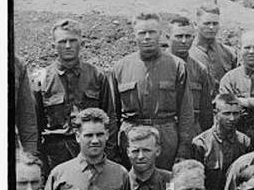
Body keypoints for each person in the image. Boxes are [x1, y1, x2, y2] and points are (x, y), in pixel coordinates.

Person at [110, 11, 196, 168]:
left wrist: (183, 150)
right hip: (131, 138)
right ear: (134, 35)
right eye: (142, 33)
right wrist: (112, 151)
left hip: (166, 139)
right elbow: (112, 115)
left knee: (166, 181)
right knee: (131, 180)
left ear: (160, 34)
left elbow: (186, 113)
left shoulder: (177, 66)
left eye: (152, 32)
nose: (147, 37)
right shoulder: (120, 68)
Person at [35, 18, 116, 172]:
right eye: (62, 41)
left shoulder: (97, 76)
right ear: (53, 46)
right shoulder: (42, 79)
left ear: (82, 43)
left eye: (73, 41)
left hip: (92, 150)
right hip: (56, 154)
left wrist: (109, 155)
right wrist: (40, 162)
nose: (68, 46)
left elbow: (110, 118)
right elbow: (35, 125)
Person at [191, 93, 252, 190]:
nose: (232, 118)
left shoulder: (244, 142)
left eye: (236, 113)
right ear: (216, 114)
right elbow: (195, 181)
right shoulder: (201, 143)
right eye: (227, 113)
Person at [166, 14, 213, 136]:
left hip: (192, 131)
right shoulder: (157, 66)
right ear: (167, 37)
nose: (184, 41)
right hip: (166, 130)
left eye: (188, 36)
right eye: (179, 36)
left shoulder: (200, 70)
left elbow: (206, 111)